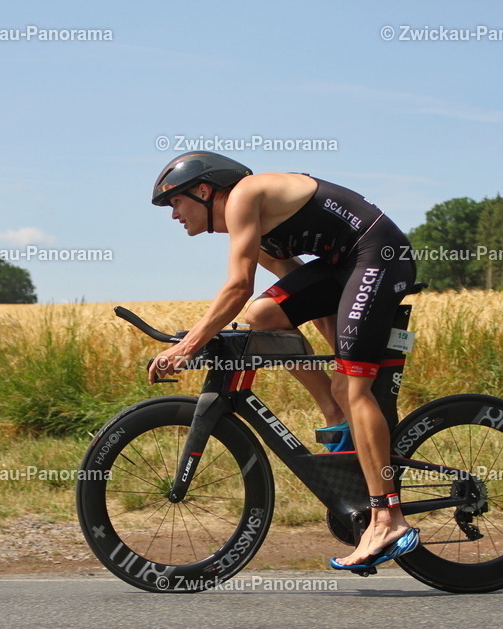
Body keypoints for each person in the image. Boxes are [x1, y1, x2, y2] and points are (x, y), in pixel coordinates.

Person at [147, 151, 419, 568]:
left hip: (378, 255)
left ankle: (387, 518)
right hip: (346, 267)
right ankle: (333, 407)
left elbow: (238, 286)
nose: (173, 215)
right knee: (264, 315)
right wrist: (338, 366)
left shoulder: (243, 196)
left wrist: (187, 347)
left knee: (356, 386)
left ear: (203, 191)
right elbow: (298, 292)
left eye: (175, 202)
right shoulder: (253, 223)